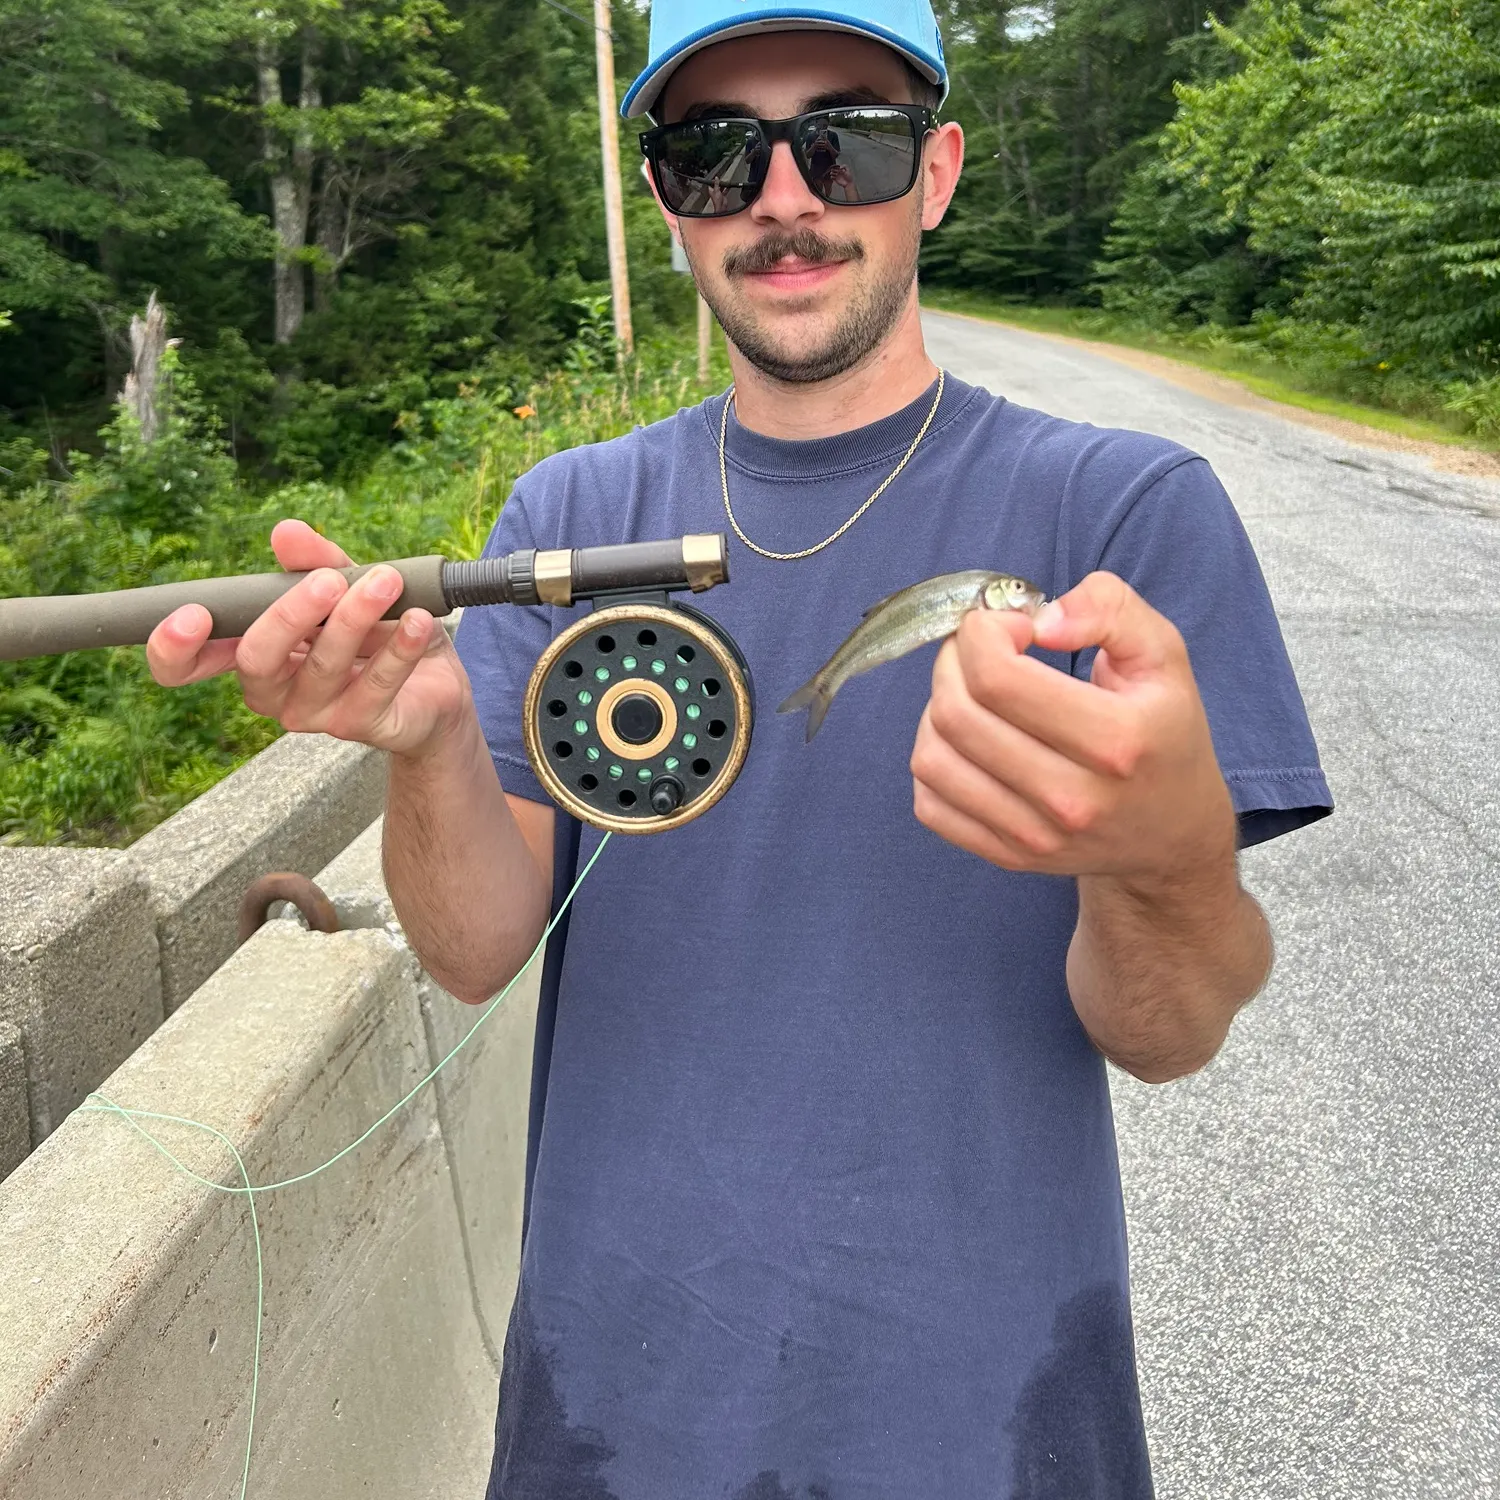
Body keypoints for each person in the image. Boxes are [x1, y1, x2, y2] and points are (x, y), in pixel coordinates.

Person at [146, 0, 1333, 1494]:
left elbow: (1168, 1033)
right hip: (611, 1409)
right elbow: (471, 949)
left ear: (940, 170)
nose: (785, 197)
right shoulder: (566, 517)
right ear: (665, 201)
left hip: (993, 1418)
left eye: (848, 141)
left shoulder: (1123, 514)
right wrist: (429, 741)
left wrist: (1163, 864)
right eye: (718, 153)